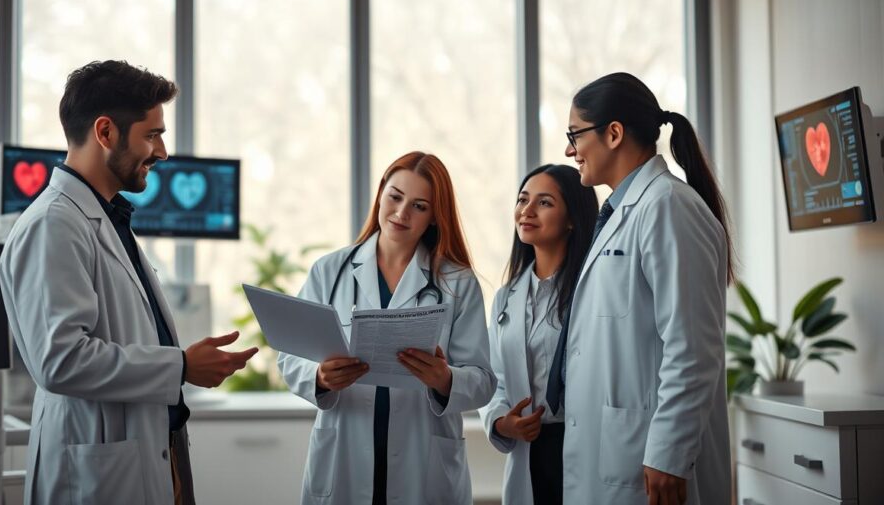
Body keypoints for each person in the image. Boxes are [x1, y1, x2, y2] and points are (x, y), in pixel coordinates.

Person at [0, 60, 258, 505]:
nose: (162, 152)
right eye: (152, 134)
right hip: (95, 469)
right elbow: (60, 360)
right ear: (106, 132)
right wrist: (180, 367)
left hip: (147, 447)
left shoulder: (106, 216)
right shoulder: (53, 225)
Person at [548, 72, 733, 505]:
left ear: (613, 134)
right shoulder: (622, 213)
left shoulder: (667, 207)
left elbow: (693, 346)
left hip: (650, 462)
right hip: (614, 451)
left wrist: (670, 452)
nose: (569, 150)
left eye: (575, 134)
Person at [278, 151, 496, 505]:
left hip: (422, 464)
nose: (401, 213)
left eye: (419, 206)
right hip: (343, 456)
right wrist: (319, 376)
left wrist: (444, 379)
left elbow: (484, 381)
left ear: (435, 217)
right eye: (395, 197)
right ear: (381, 193)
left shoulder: (457, 281)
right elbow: (289, 358)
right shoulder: (329, 270)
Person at [480, 164, 598, 505]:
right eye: (522, 200)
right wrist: (503, 423)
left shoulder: (593, 292)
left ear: (572, 218)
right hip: (529, 449)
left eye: (544, 203)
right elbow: (495, 380)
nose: (526, 211)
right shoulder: (506, 297)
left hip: (582, 443)